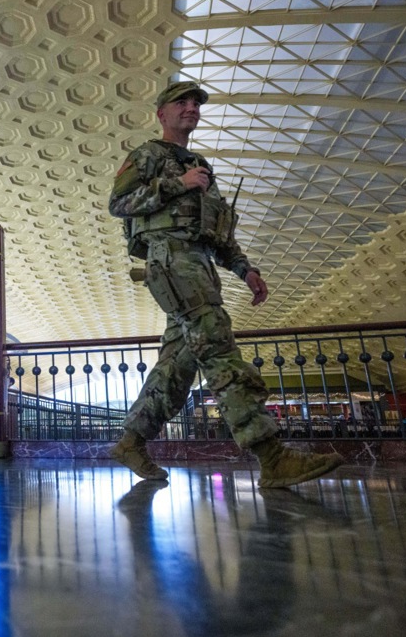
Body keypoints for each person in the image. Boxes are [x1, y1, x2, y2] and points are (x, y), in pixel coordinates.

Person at [108, 80, 343, 488]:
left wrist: (244, 269)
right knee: (217, 347)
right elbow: (118, 204)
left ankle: (131, 440)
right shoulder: (148, 156)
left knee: (178, 366)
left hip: (198, 265)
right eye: (181, 102)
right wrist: (176, 185)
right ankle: (272, 457)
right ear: (162, 113)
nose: (190, 108)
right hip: (171, 261)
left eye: (195, 103)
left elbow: (216, 231)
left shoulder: (200, 166)